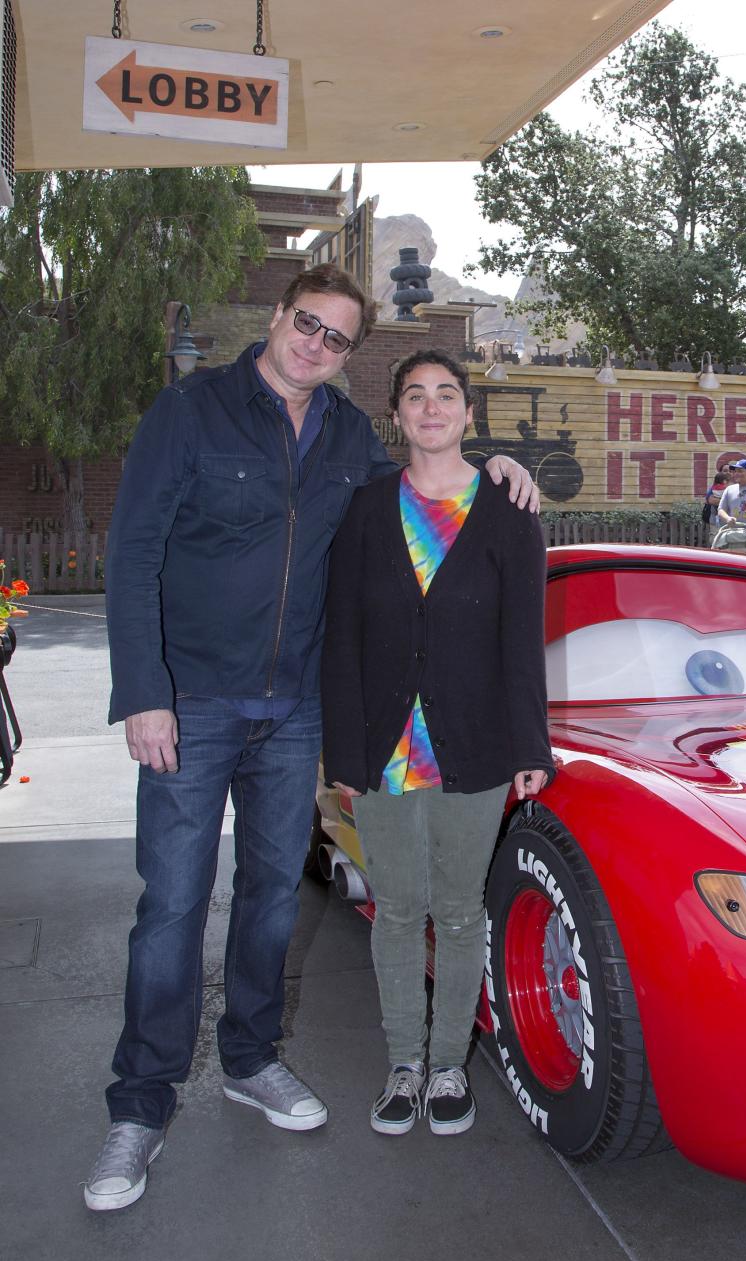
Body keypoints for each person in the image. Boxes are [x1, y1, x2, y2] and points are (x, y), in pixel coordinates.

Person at [89, 265, 536, 1212]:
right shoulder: (193, 411)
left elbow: (424, 495)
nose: (316, 347)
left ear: (346, 356)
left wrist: (498, 464)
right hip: (194, 699)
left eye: (337, 340)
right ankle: (141, 1105)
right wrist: (144, 690)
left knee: (267, 901)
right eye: (307, 325)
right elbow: (132, 551)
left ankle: (251, 1062)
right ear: (276, 318)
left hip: (293, 710)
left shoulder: (345, 436)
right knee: (171, 907)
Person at [321, 350, 553, 1138]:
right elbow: (342, 639)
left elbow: (523, 639)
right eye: (415, 396)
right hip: (386, 750)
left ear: (466, 412)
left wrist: (532, 746)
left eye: (446, 394)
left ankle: (449, 1062)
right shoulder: (364, 509)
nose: (431, 407)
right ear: (397, 415)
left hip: (479, 747)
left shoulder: (509, 508)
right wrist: (344, 753)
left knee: (458, 914)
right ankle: (403, 1065)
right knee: (397, 911)